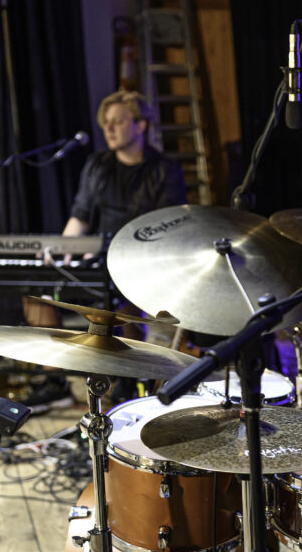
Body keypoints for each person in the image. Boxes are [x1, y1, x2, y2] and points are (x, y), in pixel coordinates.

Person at [22, 90, 187, 405]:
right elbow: (80, 216)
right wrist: (60, 249)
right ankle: (55, 382)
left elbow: (167, 229)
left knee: (123, 306)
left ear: (140, 125)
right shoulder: (97, 165)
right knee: (36, 291)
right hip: (99, 259)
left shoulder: (164, 170)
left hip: (141, 264)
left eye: (118, 121)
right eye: (106, 122)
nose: (109, 128)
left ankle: (129, 381)